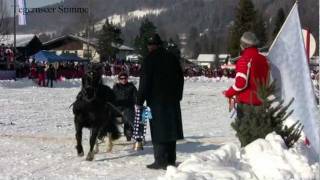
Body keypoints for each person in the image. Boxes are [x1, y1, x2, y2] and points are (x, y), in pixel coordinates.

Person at [137, 33, 184, 170]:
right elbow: (180, 78)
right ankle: (171, 159)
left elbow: (144, 82)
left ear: (151, 46)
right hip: (172, 100)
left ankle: (160, 160)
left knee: (157, 130)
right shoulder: (172, 57)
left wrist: (139, 100)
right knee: (171, 130)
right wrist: (178, 96)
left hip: (155, 101)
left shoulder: (149, 59)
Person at [223, 31, 269, 119]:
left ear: (244, 45)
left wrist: (229, 93)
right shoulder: (264, 59)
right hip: (261, 102)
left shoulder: (244, 60)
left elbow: (241, 83)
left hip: (247, 104)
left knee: (245, 132)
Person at [112, 72, 137, 141]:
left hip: (128, 108)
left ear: (127, 79)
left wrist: (136, 102)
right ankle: (107, 133)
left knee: (128, 113)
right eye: (121, 78)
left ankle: (128, 132)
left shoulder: (131, 87)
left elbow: (136, 97)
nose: (123, 80)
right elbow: (111, 98)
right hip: (118, 109)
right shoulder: (116, 87)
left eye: (125, 78)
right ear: (119, 79)